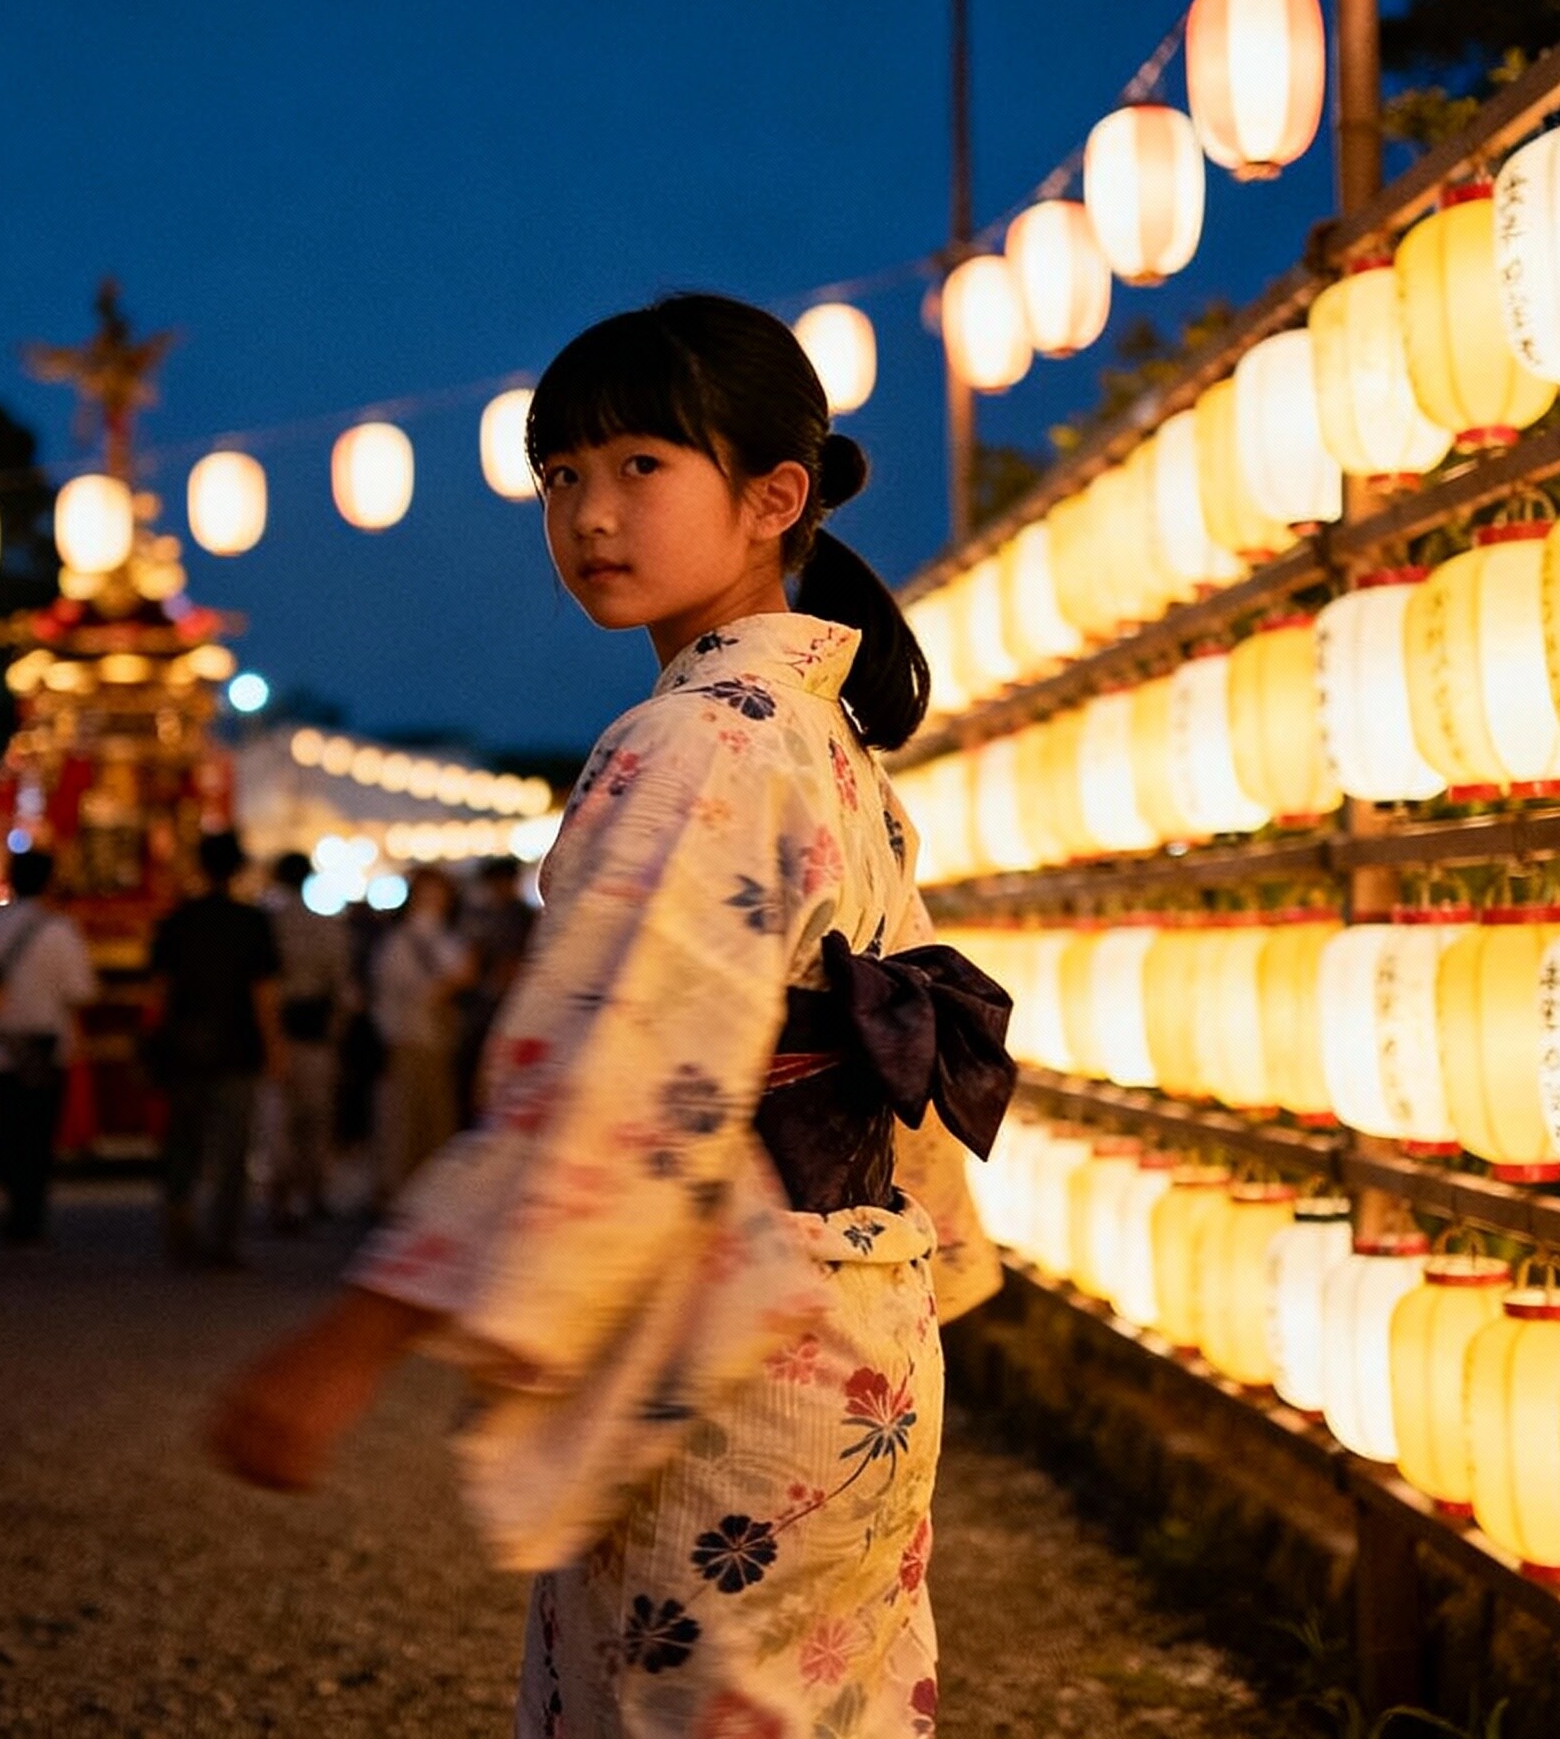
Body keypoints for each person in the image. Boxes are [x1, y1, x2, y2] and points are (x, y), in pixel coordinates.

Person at [209, 295, 1013, 1733]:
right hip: (859, 1334)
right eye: (559, 474)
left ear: (774, 498)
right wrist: (937, 1259)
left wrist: (349, 1343)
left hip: (742, 1350)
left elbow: (613, 1069)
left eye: (642, 464)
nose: (590, 513)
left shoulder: (696, 738)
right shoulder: (823, 739)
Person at [148, 829, 283, 1268]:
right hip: (238, 1046)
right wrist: (274, 1045)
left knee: (183, 1140)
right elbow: (263, 992)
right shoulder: (251, 922)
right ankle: (224, 1239)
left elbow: (160, 989)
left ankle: (178, 1224)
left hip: (185, 1044)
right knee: (233, 1148)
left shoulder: (176, 920)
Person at [0, 848, 96, 1248]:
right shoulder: (59, 932)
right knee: (36, 1137)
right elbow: (81, 991)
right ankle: (27, 1215)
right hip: (42, 1048)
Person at [259, 851, 358, 1230]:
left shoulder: (268, 924)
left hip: (277, 1027)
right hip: (316, 1029)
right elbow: (341, 982)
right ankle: (313, 1191)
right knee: (315, 1115)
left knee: (278, 1118)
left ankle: (279, 1198)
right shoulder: (326, 926)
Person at [365, 865, 473, 1205]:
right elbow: (402, 988)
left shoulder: (440, 937)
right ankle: (403, 1197)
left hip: (436, 1041)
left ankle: (421, 1197)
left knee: (432, 1123)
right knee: (408, 1124)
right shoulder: (407, 940)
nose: (433, 901)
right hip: (409, 1040)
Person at [452, 855, 536, 1127]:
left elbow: (507, 965)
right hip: (497, 1007)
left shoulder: (513, 917)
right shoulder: (512, 916)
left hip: (497, 1008)